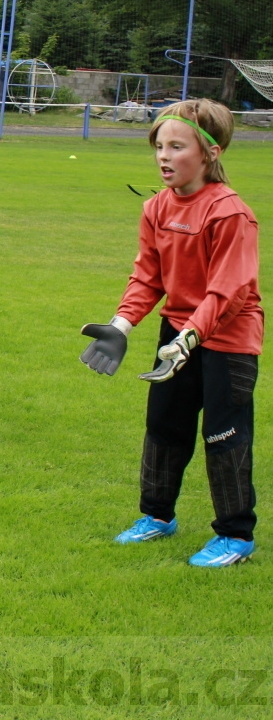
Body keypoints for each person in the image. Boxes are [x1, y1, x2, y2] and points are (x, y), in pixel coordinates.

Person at [79, 99, 261, 568]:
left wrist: (188, 339)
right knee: (164, 427)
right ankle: (157, 517)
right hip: (178, 330)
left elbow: (229, 291)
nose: (163, 156)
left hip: (228, 338)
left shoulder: (230, 213)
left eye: (176, 146)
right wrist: (121, 326)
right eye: (158, 146)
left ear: (210, 152)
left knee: (224, 433)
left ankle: (235, 536)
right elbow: (148, 278)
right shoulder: (156, 207)